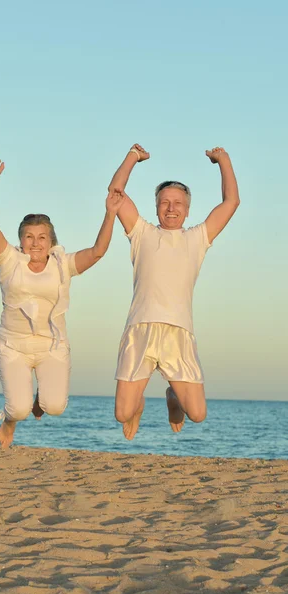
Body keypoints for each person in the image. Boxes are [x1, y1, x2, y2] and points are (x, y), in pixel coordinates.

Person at [0, 158, 124, 449]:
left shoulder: (63, 264)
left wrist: (110, 214)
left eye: (42, 237)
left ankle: (40, 398)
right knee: (18, 410)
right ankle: (9, 422)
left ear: (51, 241)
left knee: (54, 405)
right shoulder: (10, 261)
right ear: (21, 242)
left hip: (52, 346)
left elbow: (97, 252)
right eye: (29, 237)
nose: (36, 243)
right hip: (13, 346)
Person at [109, 144, 240, 440]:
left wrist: (224, 161)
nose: (171, 208)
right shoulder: (142, 233)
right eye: (164, 202)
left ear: (187, 209)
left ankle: (173, 397)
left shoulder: (197, 238)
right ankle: (139, 405)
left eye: (178, 203)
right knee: (122, 414)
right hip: (140, 330)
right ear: (156, 207)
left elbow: (231, 202)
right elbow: (115, 193)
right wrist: (132, 156)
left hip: (178, 333)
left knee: (198, 414)